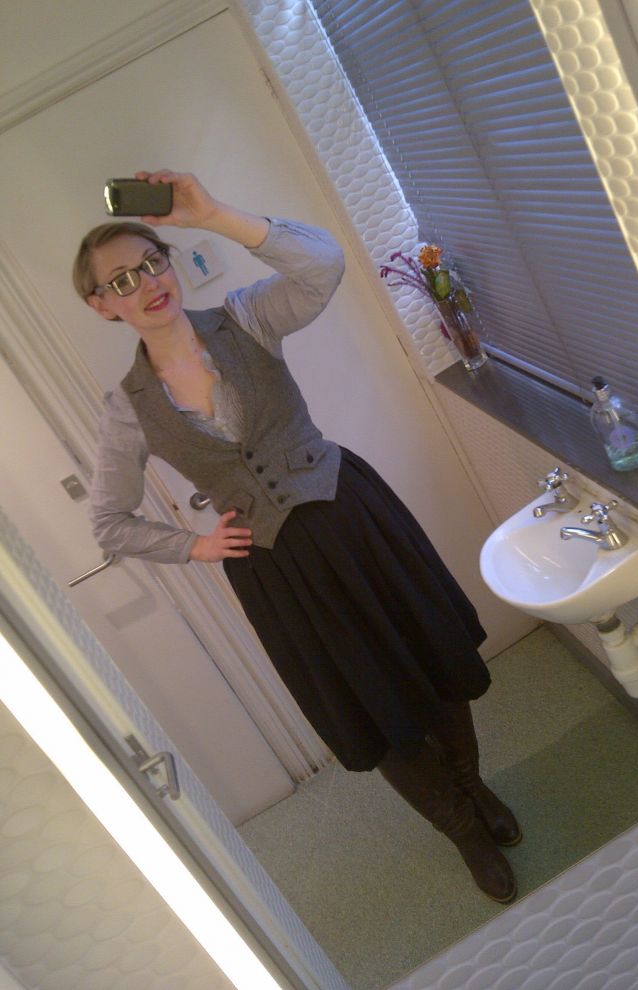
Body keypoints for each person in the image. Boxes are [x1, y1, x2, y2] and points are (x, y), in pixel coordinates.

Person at [73, 169, 522, 903]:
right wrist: (193, 545)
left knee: (427, 659)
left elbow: (323, 265)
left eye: (152, 262)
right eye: (121, 281)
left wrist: (212, 212)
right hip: (278, 571)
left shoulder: (246, 318)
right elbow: (108, 520)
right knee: (369, 701)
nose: (146, 284)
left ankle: (474, 787)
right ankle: (461, 830)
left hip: (352, 519)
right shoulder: (126, 409)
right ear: (101, 305)